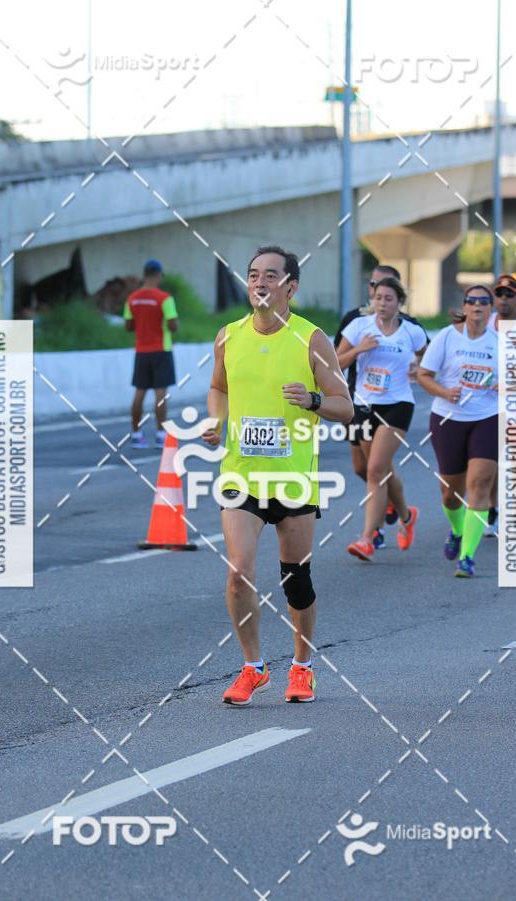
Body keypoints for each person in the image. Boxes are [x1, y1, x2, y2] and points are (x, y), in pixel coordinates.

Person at [202, 245, 353, 705]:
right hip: (241, 477)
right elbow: (218, 386)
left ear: (291, 286)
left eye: (271, 275)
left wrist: (310, 400)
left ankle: (302, 667)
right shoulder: (229, 336)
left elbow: (345, 408)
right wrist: (216, 420)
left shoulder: (311, 339)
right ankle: (253, 667)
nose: (260, 282)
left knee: (295, 580)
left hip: (293, 480)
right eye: (253, 274)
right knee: (238, 574)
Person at [334, 264, 428, 547]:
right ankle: (406, 515)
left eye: (389, 298)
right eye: (378, 298)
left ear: (400, 302)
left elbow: (429, 357)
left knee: (375, 469)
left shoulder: (411, 330)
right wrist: (358, 349)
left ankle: (367, 538)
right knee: (375, 469)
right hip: (362, 405)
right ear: (371, 299)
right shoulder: (358, 325)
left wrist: (419, 368)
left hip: (398, 404)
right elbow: (334, 364)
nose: (382, 303)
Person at [418, 285, 498, 577]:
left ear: (491, 309)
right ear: (464, 307)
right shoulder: (447, 337)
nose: (477, 305)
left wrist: (505, 386)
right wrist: (443, 391)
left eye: (484, 301)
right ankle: (456, 528)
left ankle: (467, 557)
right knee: (451, 493)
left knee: (480, 484)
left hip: (487, 417)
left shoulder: (500, 343)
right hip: (448, 418)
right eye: (472, 301)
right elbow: (423, 376)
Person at [484, 274, 516, 533]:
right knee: (489, 462)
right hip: (486, 403)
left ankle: (513, 511)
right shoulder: (486, 322)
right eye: (499, 294)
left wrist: (513, 382)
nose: (503, 299)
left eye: (509, 294)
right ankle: (493, 507)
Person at [124, 260, 179, 449]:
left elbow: (128, 327)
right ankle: (160, 434)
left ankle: (136, 434)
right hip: (161, 350)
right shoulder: (164, 298)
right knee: (160, 393)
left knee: (139, 392)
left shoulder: (132, 298)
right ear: (158, 275)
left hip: (141, 351)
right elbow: (173, 325)